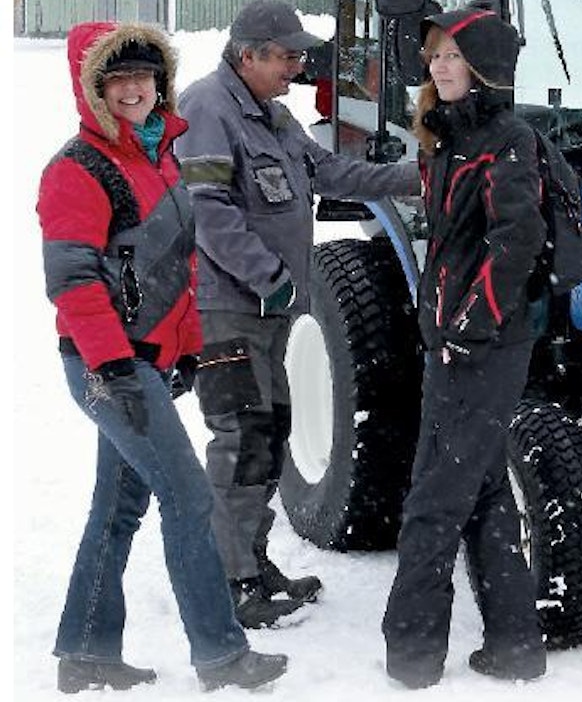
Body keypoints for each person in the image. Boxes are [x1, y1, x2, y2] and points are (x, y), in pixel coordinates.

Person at [38, 21, 288, 692]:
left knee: (119, 509)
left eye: (144, 76)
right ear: (93, 88)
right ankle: (222, 654)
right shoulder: (76, 170)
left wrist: (184, 351)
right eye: (117, 78)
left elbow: (173, 271)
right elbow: (76, 282)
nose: (133, 89)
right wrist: (115, 368)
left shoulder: (159, 159)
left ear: (161, 83)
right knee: (188, 499)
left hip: (143, 361)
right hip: (104, 366)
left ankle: (86, 650)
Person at [175, 0, 420, 628]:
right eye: (286, 55)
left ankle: (252, 562)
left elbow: (330, 171)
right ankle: (231, 582)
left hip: (269, 310)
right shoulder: (207, 108)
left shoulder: (275, 116)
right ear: (248, 54)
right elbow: (209, 212)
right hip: (229, 309)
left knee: (271, 434)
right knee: (240, 442)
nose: (298, 65)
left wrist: (412, 176)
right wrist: (272, 279)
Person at [381, 7, 547, 689]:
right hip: (456, 339)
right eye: (434, 57)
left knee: (433, 500)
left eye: (452, 56)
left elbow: (517, 242)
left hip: (481, 345)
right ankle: (515, 644)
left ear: (484, 67)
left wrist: (469, 327)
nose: (438, 67)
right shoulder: (451, 138)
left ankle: (412, 656)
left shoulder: (505, 140)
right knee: (481, 493)